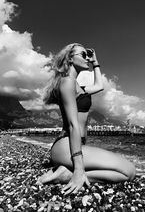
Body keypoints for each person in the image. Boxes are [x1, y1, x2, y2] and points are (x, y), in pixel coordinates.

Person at [37, 43, 135, 194]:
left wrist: (95, 61)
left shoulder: (78, 86)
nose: (87, 59)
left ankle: (66, 173)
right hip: (66, 146)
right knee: (129, 171)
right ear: (70, 58)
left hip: (74, 147)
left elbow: (99, 85)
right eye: (83, 55)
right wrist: (79, 169)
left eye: (88, 56)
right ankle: (69, 174)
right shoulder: (66, 82)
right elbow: (73, 125)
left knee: (128, 172)